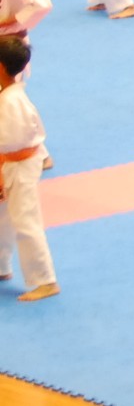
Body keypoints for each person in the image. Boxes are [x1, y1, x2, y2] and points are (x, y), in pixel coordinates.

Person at [0, 36, 56, 301]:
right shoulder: (8, 94)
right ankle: (1, 266)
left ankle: (45, 280)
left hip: (19, 166)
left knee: (25, 221)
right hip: (10, 163)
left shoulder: (12, 102)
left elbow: (16, 144)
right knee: (3, 217)